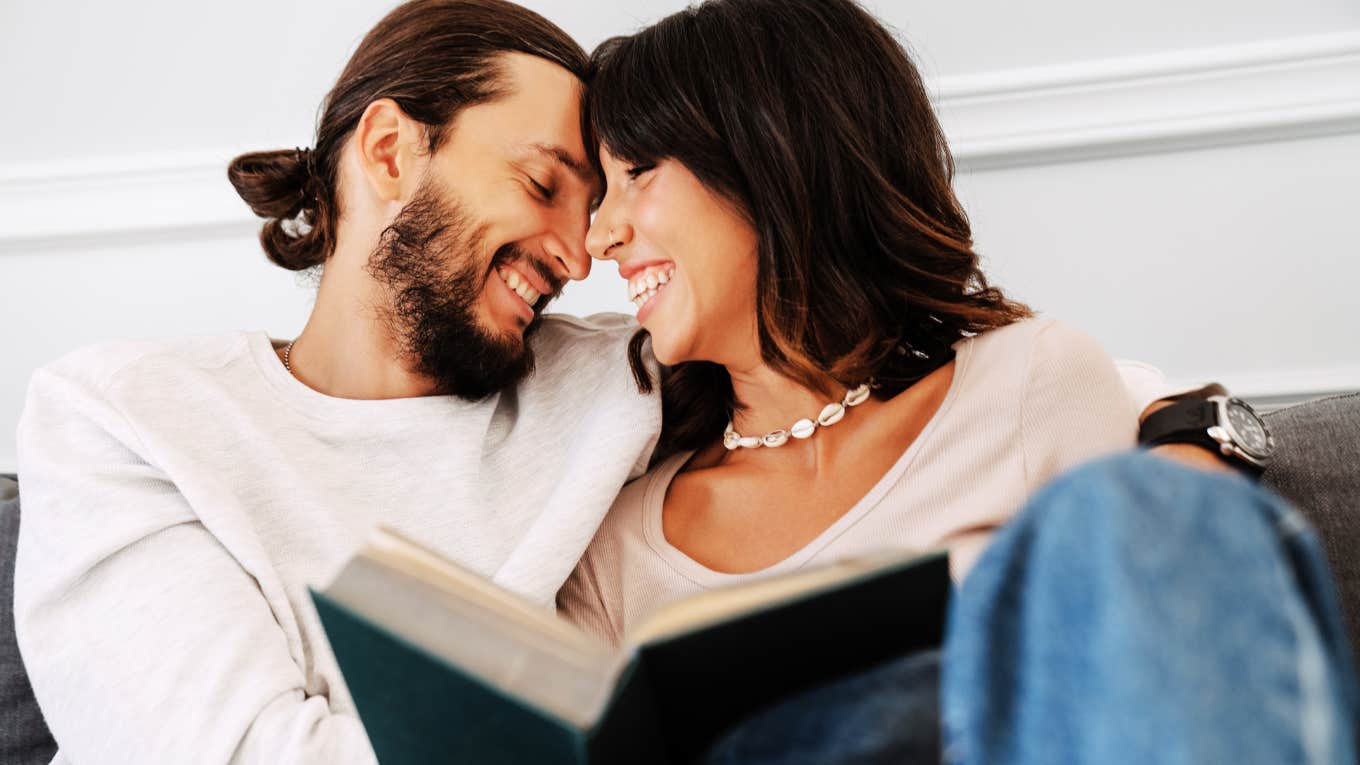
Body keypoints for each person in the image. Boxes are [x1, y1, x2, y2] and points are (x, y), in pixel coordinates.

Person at [558, 1, 1359, 762]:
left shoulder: (1030, 385)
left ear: (775, 155)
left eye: (636, 173)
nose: (601, 236)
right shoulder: (617, 548)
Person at [12, 2, 660, 762]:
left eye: (589, 214)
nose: (579, 261)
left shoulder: (618, 385)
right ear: (389, 151)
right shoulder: (124, 417)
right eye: (543, 183)